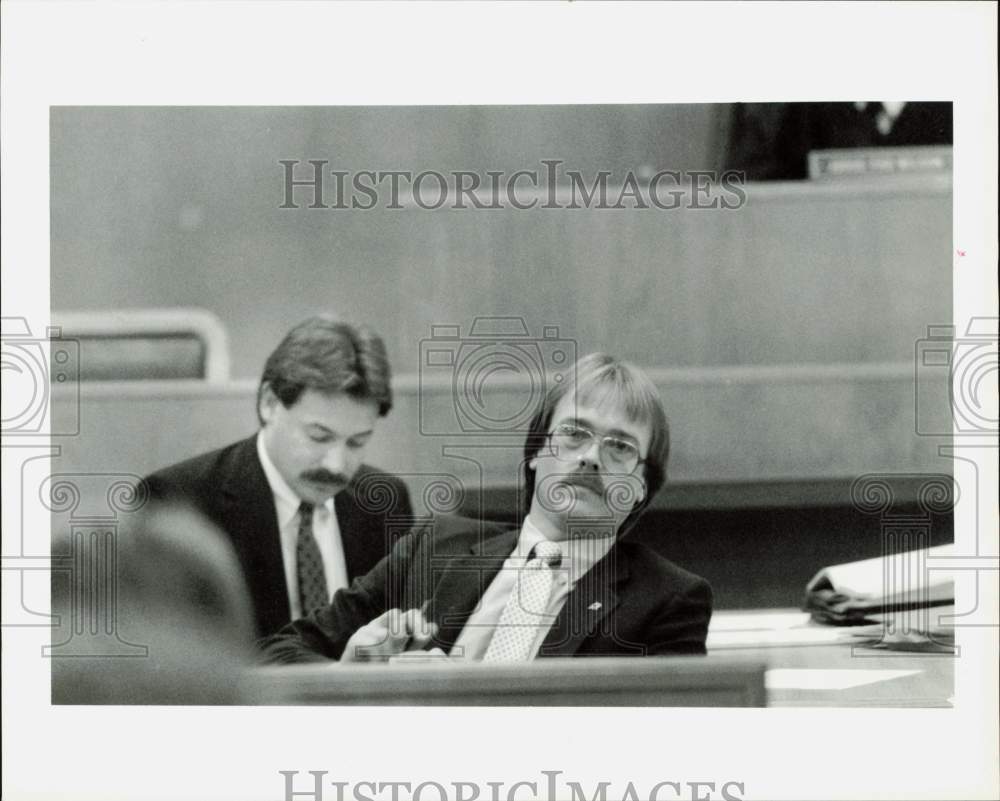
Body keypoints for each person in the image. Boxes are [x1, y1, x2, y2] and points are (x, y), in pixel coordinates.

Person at [260, 353, 711, 664]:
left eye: (620, 447)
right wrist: (348, 674)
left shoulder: (669, 601)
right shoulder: (434, 546)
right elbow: (278, 654)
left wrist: (451, 703)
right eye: (575, 433)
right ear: (535, 452)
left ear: (640, 487)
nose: (591, 457)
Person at [145, 316, 412, 638]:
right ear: (269, 403)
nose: (337, 465)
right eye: (319, 436)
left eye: (357, 442)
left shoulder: (385, 501)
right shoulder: (179, 500)